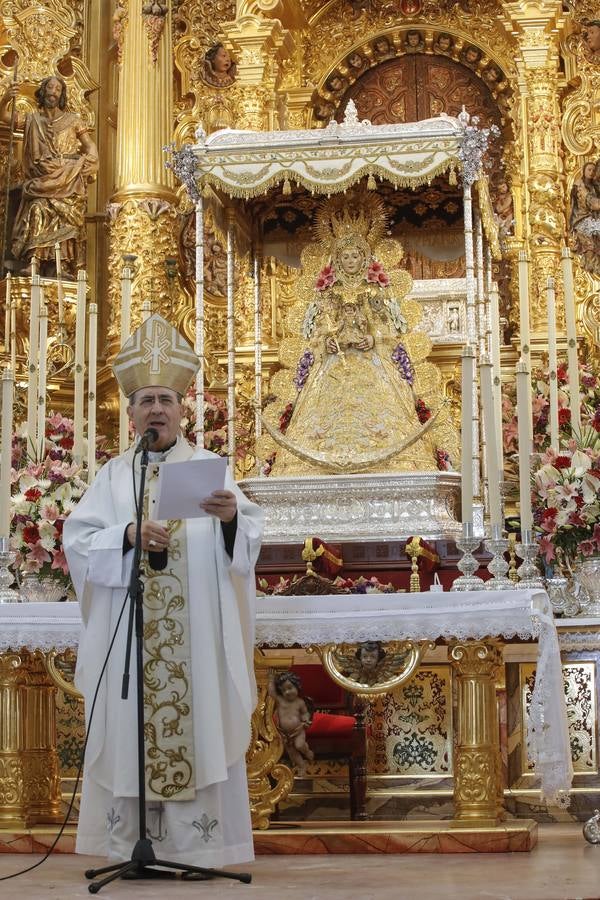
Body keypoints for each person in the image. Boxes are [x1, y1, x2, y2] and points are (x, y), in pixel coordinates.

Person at [63, 312, 264, 869]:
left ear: (183, 408)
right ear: (130, 413)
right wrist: (127, 534)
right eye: (146, 399)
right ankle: (132, 844)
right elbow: (77, 541)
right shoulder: (112, 476)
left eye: (166, 400)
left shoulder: (210, 469)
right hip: (130, 639)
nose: (156, 408)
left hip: (193, 638)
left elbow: (248, 540)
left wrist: (228, 521)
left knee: (196, 720)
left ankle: (196, 844)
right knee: (131, 726)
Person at [262, 193, 459, 476]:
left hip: (374, 366)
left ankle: (400, 465)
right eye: (345, 256)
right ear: (337, 259)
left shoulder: (376, 291)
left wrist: (374, 339)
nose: (351, 260)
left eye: (356, 255)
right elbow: (315, 332)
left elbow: (391, 330)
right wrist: (326, 341)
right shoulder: (326, 294)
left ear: (365, 257)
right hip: (330, 368)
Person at [0, 75, 98, 274]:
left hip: (67, 177)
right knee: (37, 207)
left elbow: (90, 146)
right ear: (43, 91)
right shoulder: (32, 119)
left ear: (62, 95)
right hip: (42, 179)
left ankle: (61, 265)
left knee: (66, 217)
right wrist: (5, 99)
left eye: (58, 89)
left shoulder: (74, 120)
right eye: (50, 88)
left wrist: (92, 160)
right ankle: (34, 261)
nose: (53, 92)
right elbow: (5, 118)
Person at [270, 672, 314, 775]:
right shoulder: (280, 700)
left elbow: (305, 713)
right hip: (284, 734)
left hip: (298, 731)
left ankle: (307, 751)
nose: (287, 692)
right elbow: (272, 692)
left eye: (290, 688)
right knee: (292, 752)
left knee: (299, 745)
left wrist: (306, 720)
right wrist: (271, 679)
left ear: (297, 686)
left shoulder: (300, 702)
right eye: (284, 690)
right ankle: (301, 766)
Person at [569, 159, 600, 276]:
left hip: (594, 220)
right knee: (590, 242)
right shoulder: (580, 186)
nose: (591, 172)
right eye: (589, 170)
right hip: (582, 219)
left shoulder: (595, 186)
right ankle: (591, 265)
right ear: (584, 171)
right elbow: (594, 204)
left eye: (594, 170)